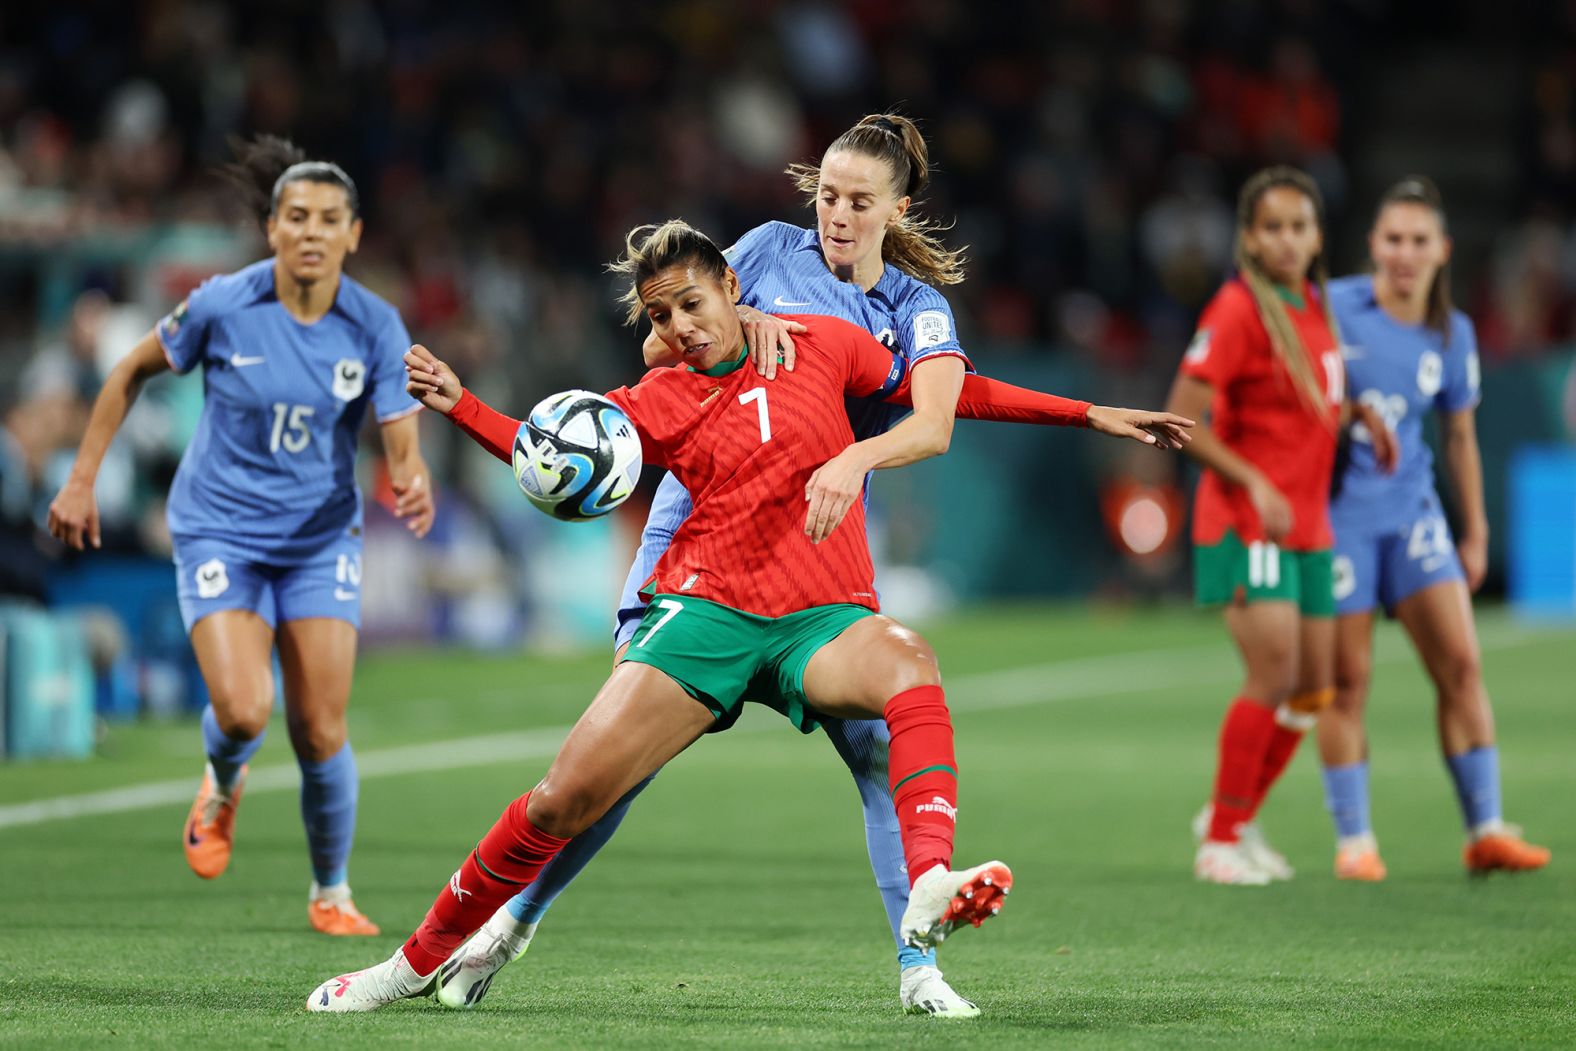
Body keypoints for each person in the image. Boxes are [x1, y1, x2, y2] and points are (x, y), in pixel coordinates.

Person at [435, 114, 1191, 1018]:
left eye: (857, 200)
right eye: (826, 193)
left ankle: (919, 967)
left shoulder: (914, 309)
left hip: (815, 561)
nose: (834, 212)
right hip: (699, 543)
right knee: (618, 766)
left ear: (897, 208)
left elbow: (944, 403)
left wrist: (1087, 412)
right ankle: (506, 929)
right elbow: (659, 346)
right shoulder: (761, 251)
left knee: (878, 753)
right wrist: (743, 316)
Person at [306, 219, 1031, 1013]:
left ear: (730, 283)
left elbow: (943, 392)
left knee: (908, 660)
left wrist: (1087, 413)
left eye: (690, 302)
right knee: (562, 802)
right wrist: (462, 405)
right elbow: (553, 453)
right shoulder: (661, 397)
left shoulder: (828, 342)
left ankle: (930, 883)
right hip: (704, 617)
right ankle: (410, 966)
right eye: (660, 317)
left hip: (818, 619)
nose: (679, 327)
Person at [47, 136, 434, 935]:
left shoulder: (374, 324)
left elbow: (398, 427)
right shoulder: (223, 304)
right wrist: (82, 477)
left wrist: (410, 474)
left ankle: (332, 890)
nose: (313, 232)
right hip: (221, 528)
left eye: (330, 219)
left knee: (321, 725)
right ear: (271, 228)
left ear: (354, 235)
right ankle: (223, 782)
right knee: (246, 709)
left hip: (321, 539)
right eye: (296, 217)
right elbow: (127, 372)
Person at [1164, 166, 1395, 886]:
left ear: (1319, 236)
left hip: (1309, 523)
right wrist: (1252, 479)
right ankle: (1220, 842)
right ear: (1250, 238)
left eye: (1300, 226)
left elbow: (1307, 404)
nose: (1288, 239)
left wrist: (1355, 414)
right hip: (1246, 521)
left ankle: (1232, 814)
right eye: (1273, 227)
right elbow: (1179, 417)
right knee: (1274, 672)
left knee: (1314, 689)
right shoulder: (1238, 309)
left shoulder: (1314, 307)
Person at [1317, 176, 1550, 880]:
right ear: (1372, 245)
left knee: (1462, 665)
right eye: (1393, 238)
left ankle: (1485, 829)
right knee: (1346, 683)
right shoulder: (1331, 311)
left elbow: (1459, 437)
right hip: (1339, 522)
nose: (1405, 253)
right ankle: (1355, 842)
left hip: (1414, 517)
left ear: (1443, 250)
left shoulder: (1452, 332)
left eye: (1420, 240)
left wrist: (1474, 531)